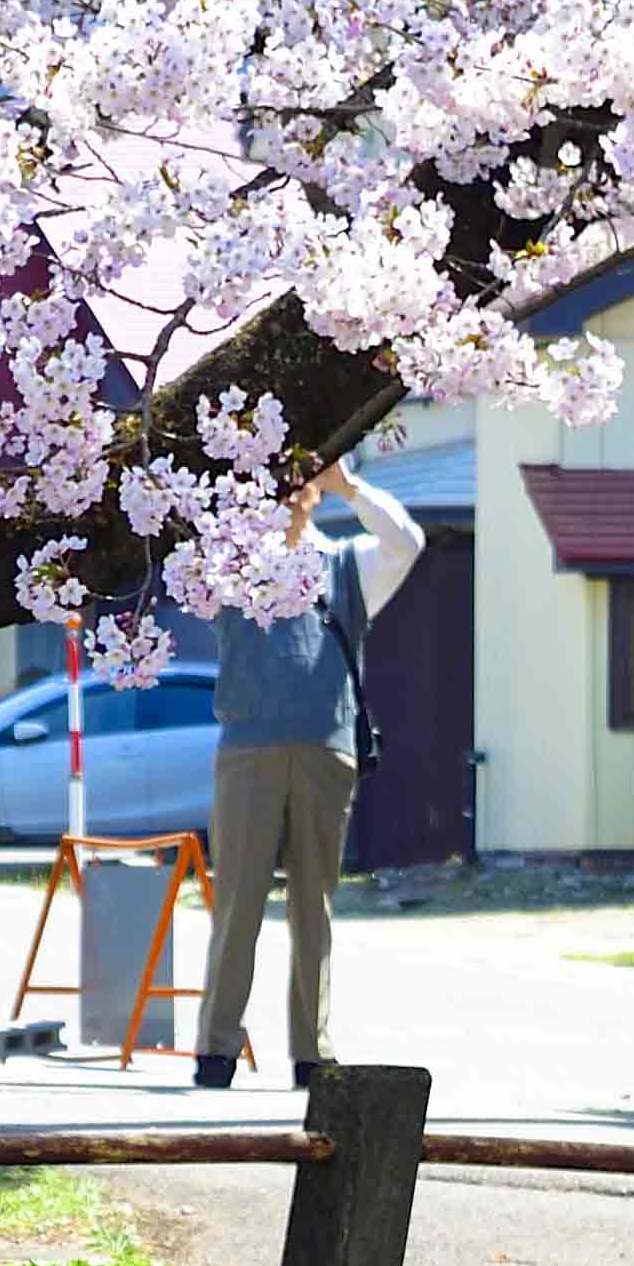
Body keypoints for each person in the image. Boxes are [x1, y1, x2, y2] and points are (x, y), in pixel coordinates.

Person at [186, 457, 433, 1093]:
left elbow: (408, 542)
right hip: (247, 749)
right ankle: (216, 1049)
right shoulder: (233, 565)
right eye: (277, 479)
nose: (290, 493)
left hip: (327, 750)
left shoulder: (348, 564)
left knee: (312, 907)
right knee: (238, 902)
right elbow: (185, 570)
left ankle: (311, 1052)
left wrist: (349, 486)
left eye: (301, 479)